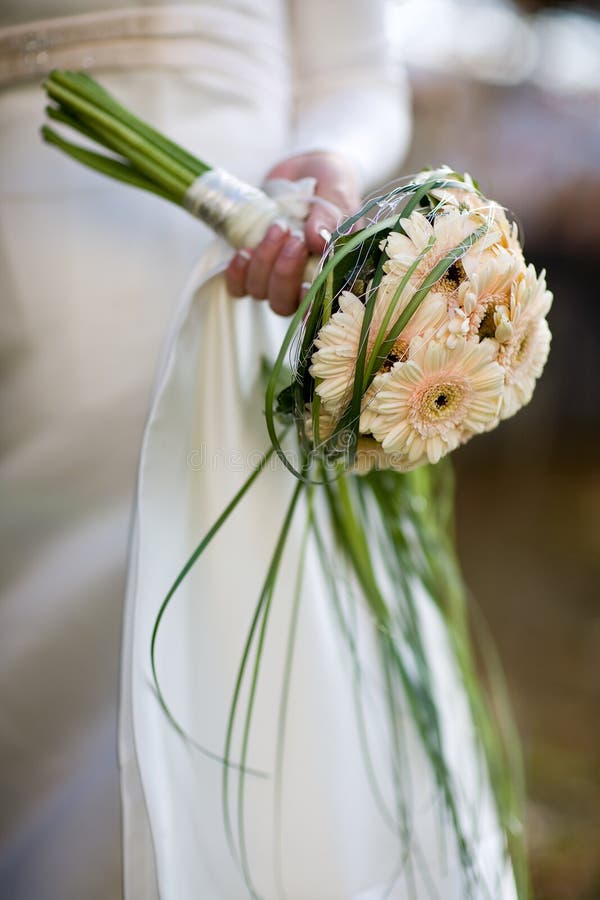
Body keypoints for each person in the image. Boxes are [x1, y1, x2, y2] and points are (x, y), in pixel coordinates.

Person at [0, 2, 409, 898]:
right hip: (20, 209)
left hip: (242, 250)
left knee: (210, 612)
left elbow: (359, 76)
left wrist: (329, 165)